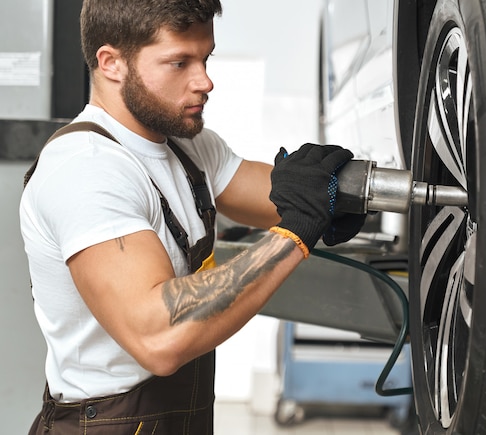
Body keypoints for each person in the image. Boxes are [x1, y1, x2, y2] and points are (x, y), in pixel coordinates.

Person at [20, 0, 363, 433]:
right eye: (179, 62)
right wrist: (293, 236)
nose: (205, 81)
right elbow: (159, 337)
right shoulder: (86, 169)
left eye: (206, 57)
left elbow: (280, 196)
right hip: (105, 424)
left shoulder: (189, 147)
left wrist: (348, 189)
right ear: (111, 63)